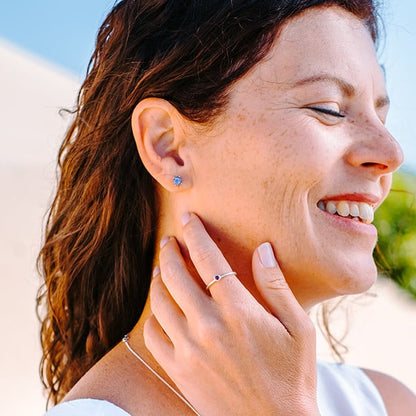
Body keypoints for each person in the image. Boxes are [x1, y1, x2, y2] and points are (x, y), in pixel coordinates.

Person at [38, 0, 416, 415]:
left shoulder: (387, 403)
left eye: (381, 116)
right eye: (327, 108)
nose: (390, 153)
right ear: (168, 146)